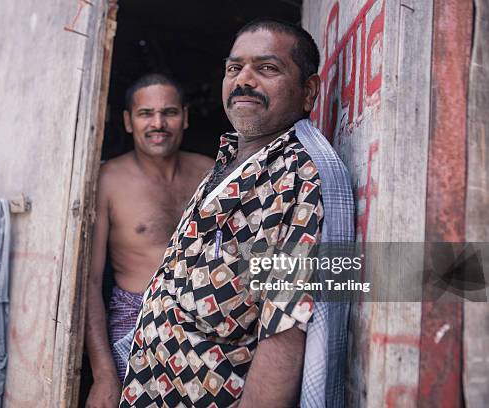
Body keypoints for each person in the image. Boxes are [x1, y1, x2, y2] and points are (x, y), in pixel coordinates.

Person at [119, 19, 354, 408]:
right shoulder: (229, 161)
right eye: (234, 68)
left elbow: (284, 333)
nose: (244, 80)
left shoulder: (297, 177)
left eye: (267, 68)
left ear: (308, 91)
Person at [85, 73, 214, 408]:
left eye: (169, 112)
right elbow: (90, 281)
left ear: (185, 117)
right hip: (134, 326)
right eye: (146, 114)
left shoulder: (211, 172)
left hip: (205, 326)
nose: (159, 123)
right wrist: (103, 374)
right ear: (129, 121)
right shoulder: (107, 180)